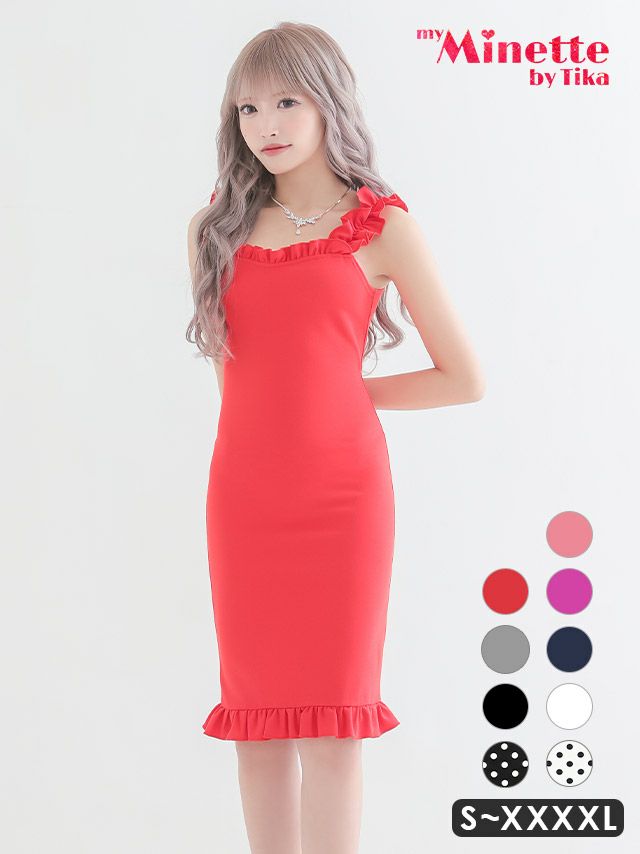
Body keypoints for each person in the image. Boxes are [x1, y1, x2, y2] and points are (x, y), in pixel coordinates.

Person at [186, 21, 485, 854]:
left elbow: (463, 377)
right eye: (248, 109)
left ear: (328, 102)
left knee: (332, 726)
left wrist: (338, 397)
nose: (267, 125)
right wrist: (287, 411)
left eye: (287, 101)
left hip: (342, 501)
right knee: (255, 725)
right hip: (244, 498)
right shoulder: (215, 230)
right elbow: (233, 383)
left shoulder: (382, 227)